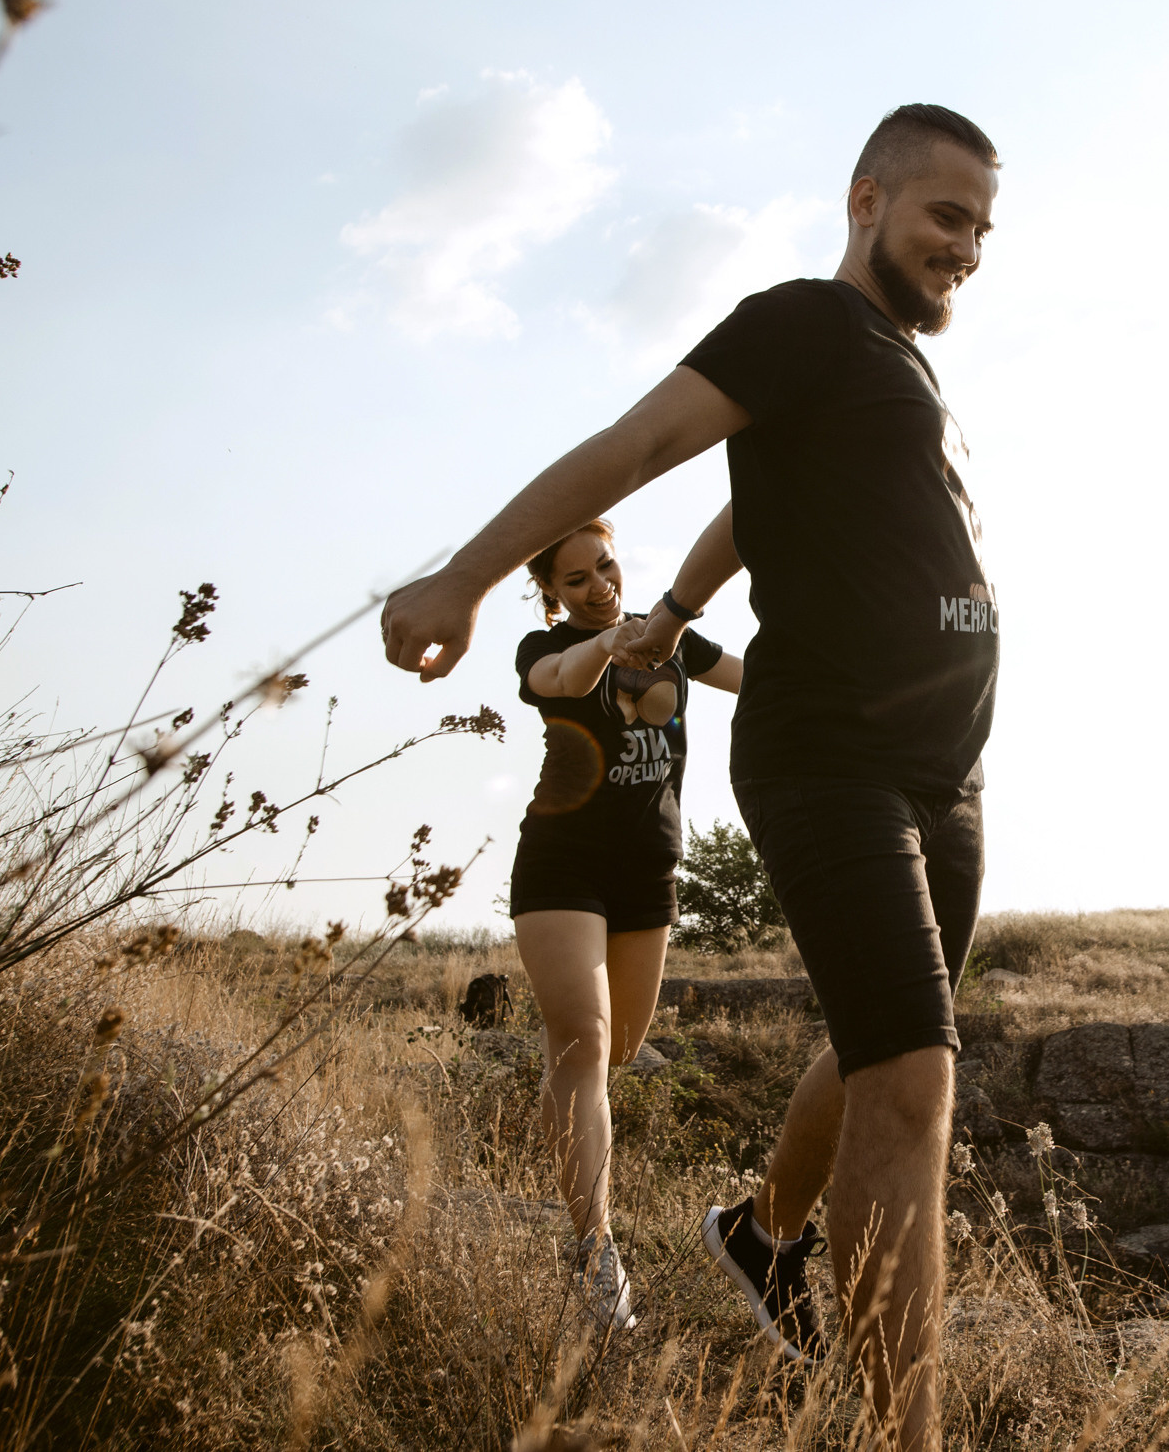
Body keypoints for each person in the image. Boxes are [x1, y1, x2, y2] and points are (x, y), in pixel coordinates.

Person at [382, 103, 1001, 1452]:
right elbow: (638, 446)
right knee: (910, 1082)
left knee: (891, 1041)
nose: (966, 246)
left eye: (982, 228)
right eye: (945, 215)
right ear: (867, 198)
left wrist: (670, 608)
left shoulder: (891, 368)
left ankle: (764, 1233)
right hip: (832, 750)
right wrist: (467, 576)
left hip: (942, 772)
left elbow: (752, 503)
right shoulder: (805, 321)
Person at [506, 517, 740, 1329]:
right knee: (585, 1039)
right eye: (576, 579)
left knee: (619, 1048)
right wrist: (610, 642)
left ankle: (565, 1127)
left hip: (648, 872)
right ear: (549, 591)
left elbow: (756, 678)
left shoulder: (671, 638)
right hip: (561, 865)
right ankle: (595, 1252)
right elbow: (566, 680)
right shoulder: (543, 649)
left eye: (605, 566)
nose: (599, 585)